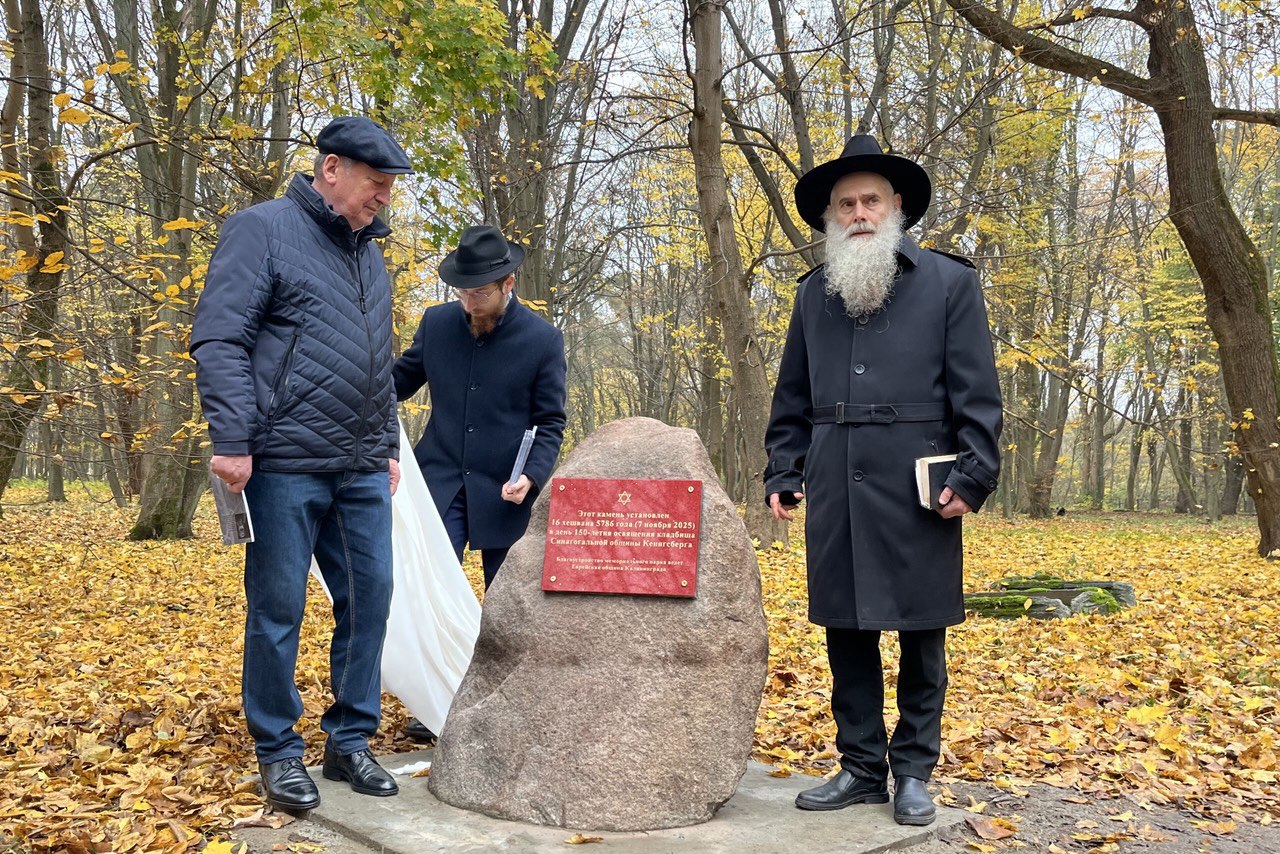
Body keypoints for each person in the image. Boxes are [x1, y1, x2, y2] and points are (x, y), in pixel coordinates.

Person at [765, 135, 1003, 825]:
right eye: (846, 203)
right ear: (831, 217)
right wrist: (784, 467)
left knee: (922, 632)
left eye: (871, 199)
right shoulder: (814, 295)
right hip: (837, 482)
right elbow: (792, 398)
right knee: (847, 630)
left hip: (920, 484)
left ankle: (916, 772)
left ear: (896, 206)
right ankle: (862, 767)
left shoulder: (950, 283)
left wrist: (975, 472)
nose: (860, 211)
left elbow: (978, 395)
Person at [191, 116, 412, 812]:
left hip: (358, 467)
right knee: (278, 606)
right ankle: (279, 751)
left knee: (371, 601)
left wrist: (384, 444)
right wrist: (232, 440)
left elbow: (375, 360)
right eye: (377, 184)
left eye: (389, 188)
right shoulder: (263, 230)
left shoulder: (367, 253)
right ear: (332, 169)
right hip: (282, 461)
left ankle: (349, 741)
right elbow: (220, 336)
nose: (384, 198)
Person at [393, 225, 567, 590]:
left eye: (480, 294)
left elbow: (550, 421)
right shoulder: (436, 324)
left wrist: (532, 475)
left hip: (505, 489)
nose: (470, 305)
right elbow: (394, 385)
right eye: (463, 293)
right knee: (434, 592)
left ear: (508, 283)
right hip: (439, 482)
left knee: (505, 609)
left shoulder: (543, 340)